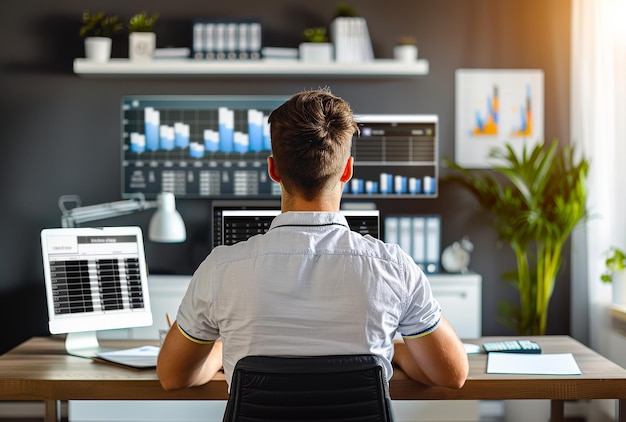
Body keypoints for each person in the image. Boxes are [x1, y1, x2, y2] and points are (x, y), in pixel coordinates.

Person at [157, 88, 469, 392]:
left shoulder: (220, 269)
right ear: (347, 170)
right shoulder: (394, 268)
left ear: (274, 169)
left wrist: (219, 354)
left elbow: (173, 377)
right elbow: (452, 373)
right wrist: (392, 351)